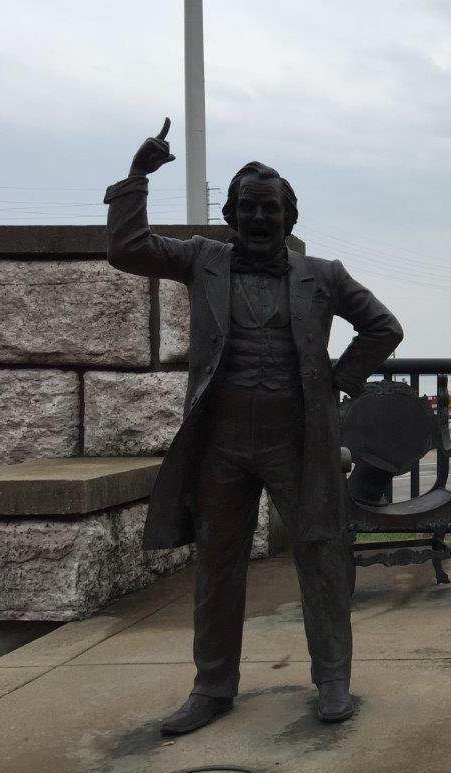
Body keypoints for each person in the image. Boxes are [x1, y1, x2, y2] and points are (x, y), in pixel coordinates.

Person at [103, 119, 404, 732]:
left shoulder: (324, 275)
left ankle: (333, 680)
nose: (259, 218)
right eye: (247, 208)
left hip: (296, 441)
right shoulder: (201, 261)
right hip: (221, 446)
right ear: (232, 215)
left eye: (269, 208)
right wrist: (137, 179)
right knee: (216, 564)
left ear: (288, 217)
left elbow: (383, 328)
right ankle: (212, 686)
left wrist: (336, 380)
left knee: (321, 556)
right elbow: (127, 250)